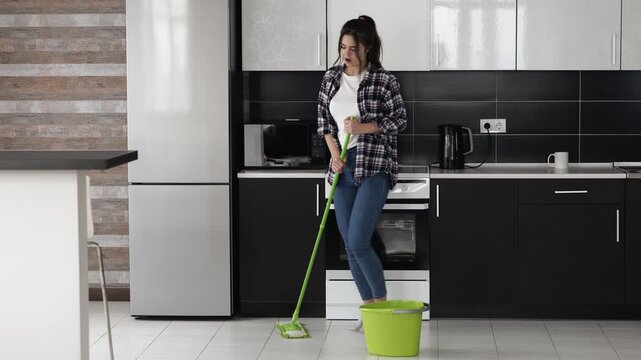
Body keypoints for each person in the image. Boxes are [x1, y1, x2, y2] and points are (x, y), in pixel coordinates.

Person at [317, 15, 407, 330]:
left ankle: (380, 310)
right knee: (349, 242)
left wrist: (362, 127)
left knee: (357, 241)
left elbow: (399, 121)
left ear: (367, 48)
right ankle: (369, 311)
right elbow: (324, 125)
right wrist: (333, 157)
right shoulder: (330, 78)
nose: (346, 54)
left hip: (373, 165)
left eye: (352, 48)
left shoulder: (384, 80)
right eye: (342, 47)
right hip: (342, 166)